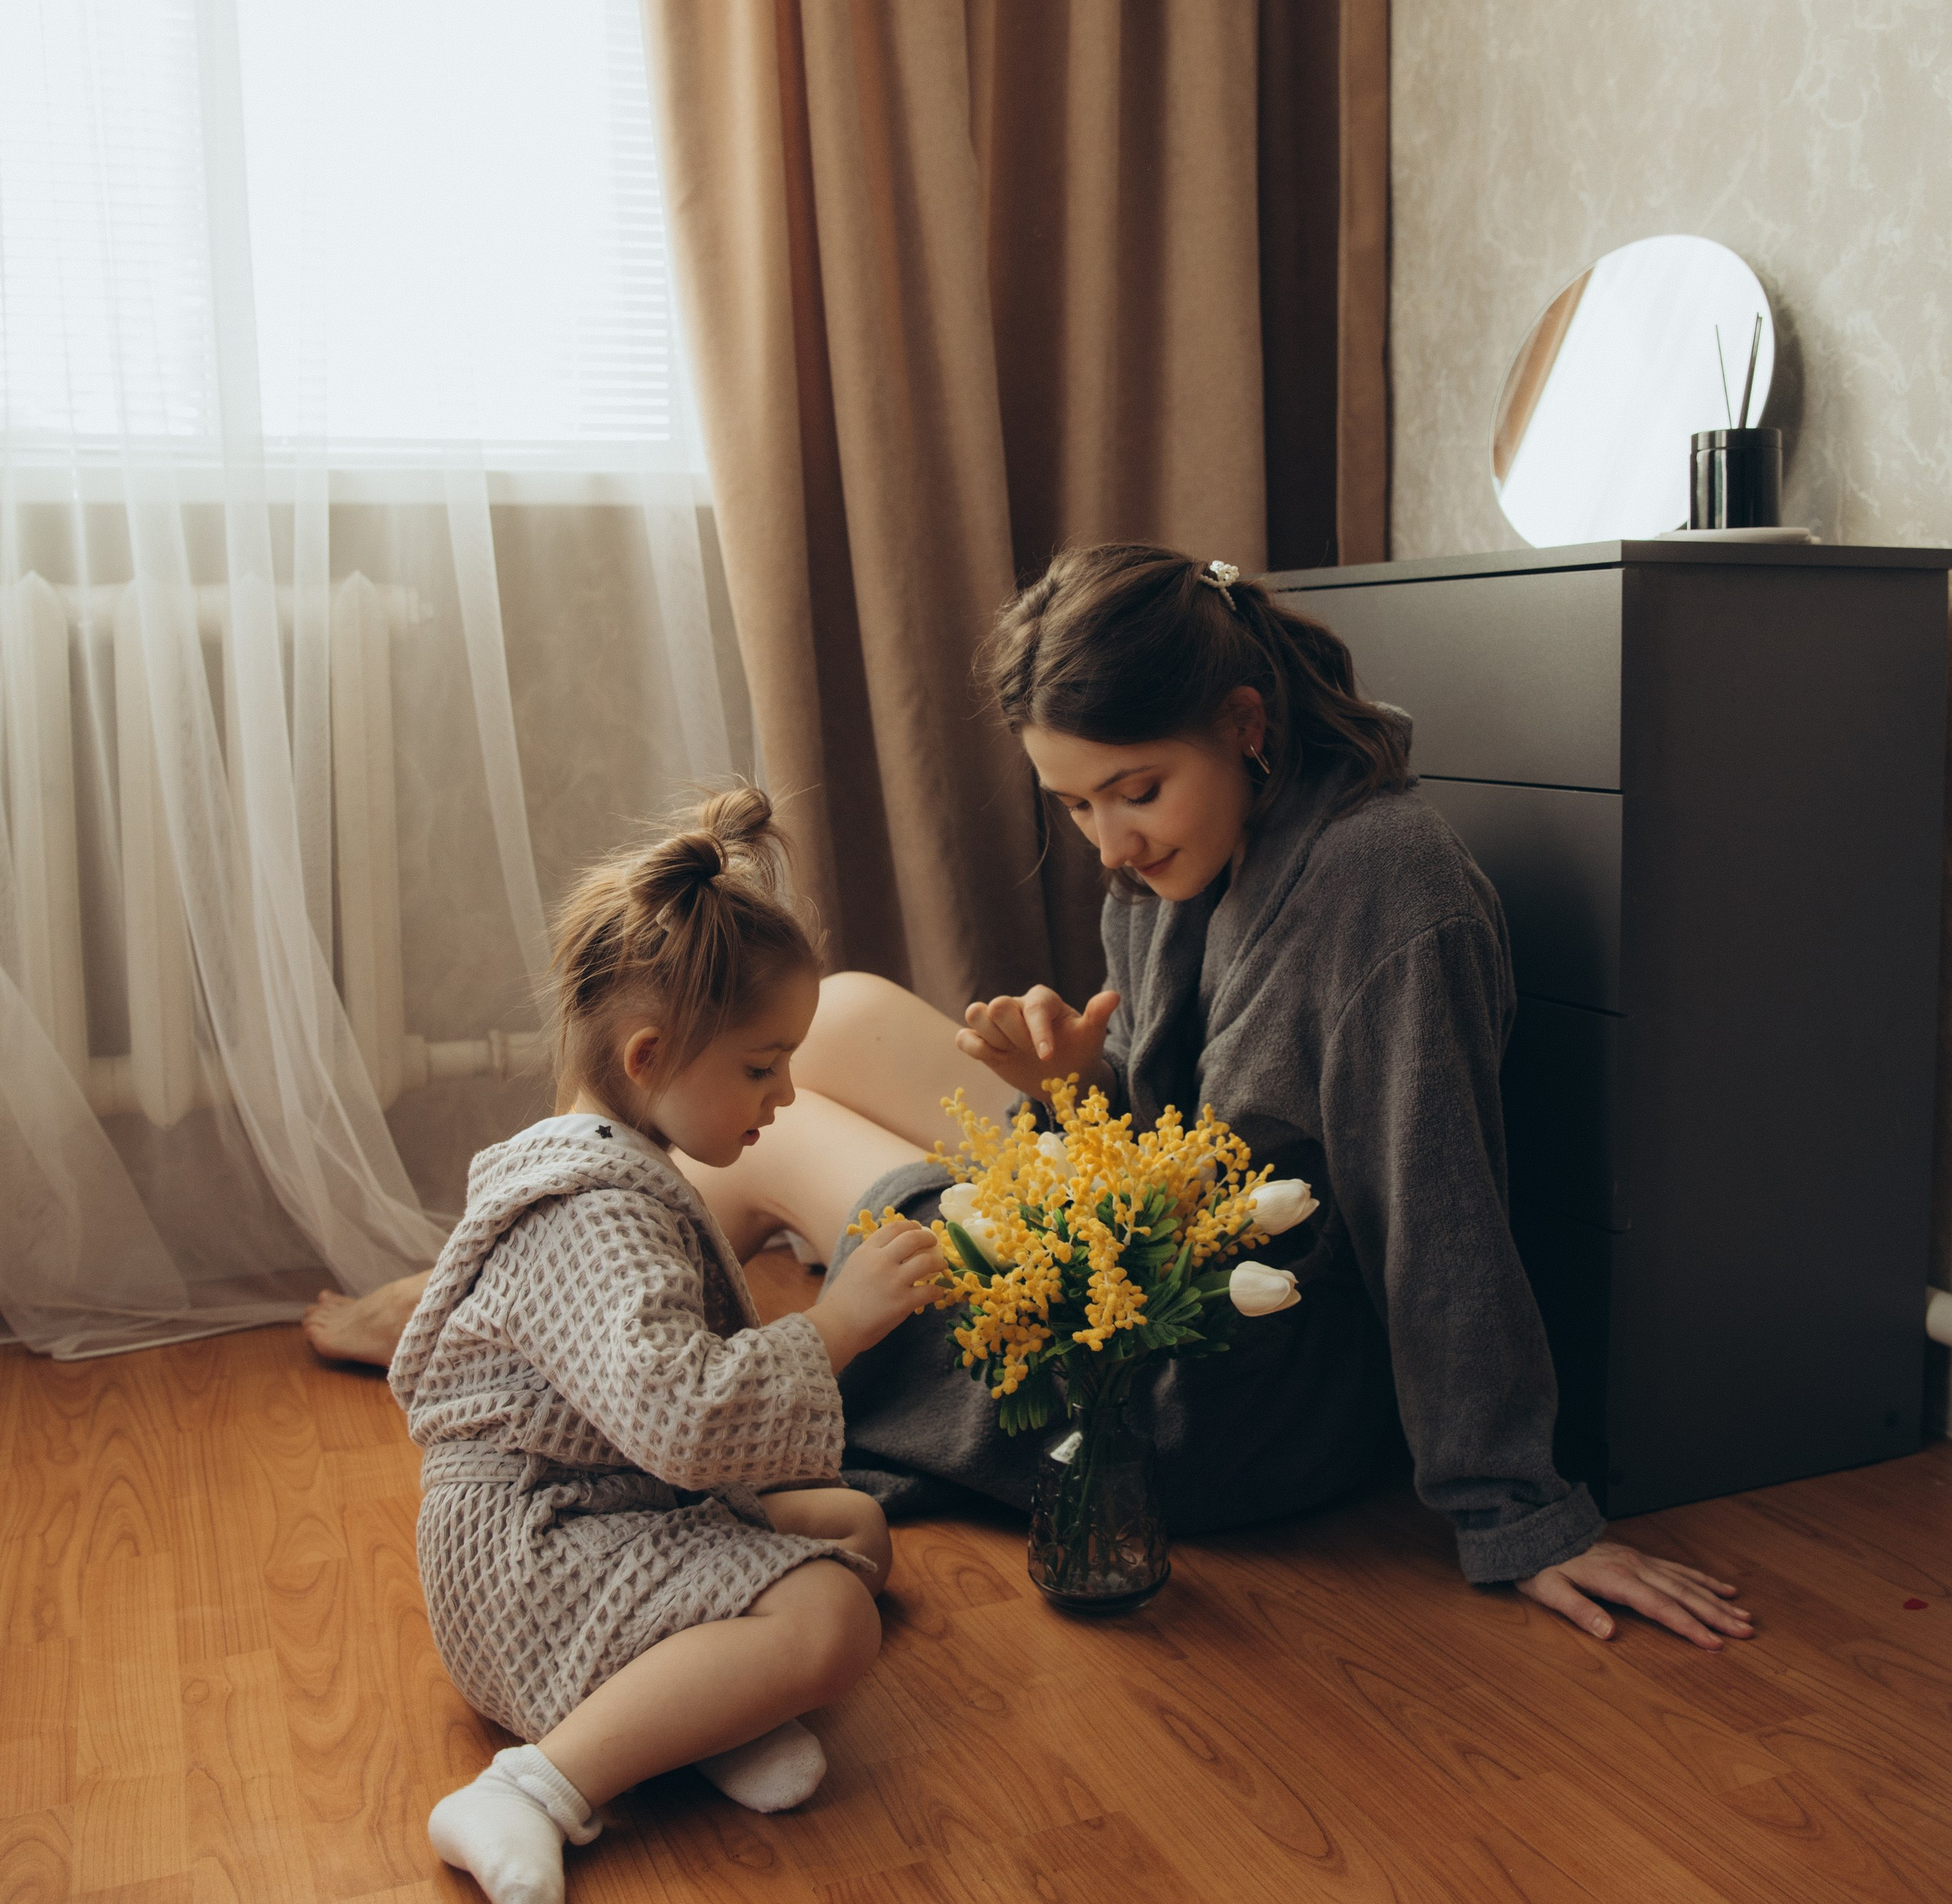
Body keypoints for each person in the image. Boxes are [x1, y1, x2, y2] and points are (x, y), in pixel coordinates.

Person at [316, 543, 1751, 1656]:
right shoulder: (1203, 851)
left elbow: (1436, 1207)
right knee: (851, 1012)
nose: (1110, 847)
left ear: (1246, 724)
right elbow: (1161, 1136)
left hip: (1212, 1380)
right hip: (1146, 1236)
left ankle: (520, 1291)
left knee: (786, 1120)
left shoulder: (1390, 892)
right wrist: (1071, 1092)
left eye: (1132, 793)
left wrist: (1519, 1512)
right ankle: (556, 1290)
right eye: (1072, 806)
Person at [390, 789, 943, 1904]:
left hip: (600, 1509)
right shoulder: (590, 1215)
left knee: (856, 1522)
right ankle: (531, 1791)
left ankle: (696, 1721)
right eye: (762, 1068)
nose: (784, 1099)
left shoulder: (612, 1158)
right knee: (835, 1617)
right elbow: (686, 1420)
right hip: (533, 1564)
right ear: (649, 1057)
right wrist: (834, 1324)